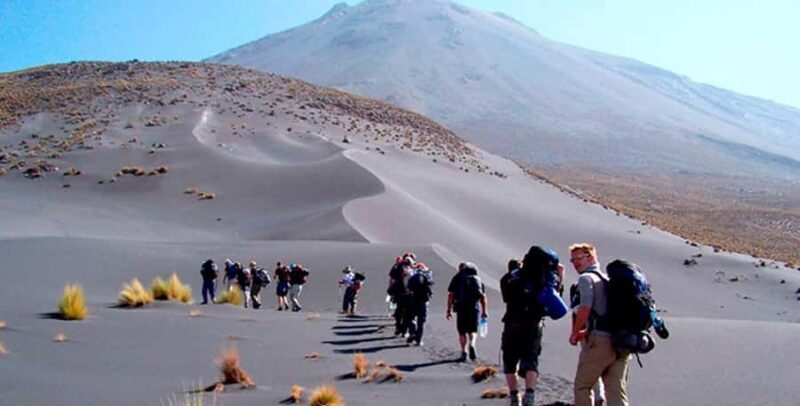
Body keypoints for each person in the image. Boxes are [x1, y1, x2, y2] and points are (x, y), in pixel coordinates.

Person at [500, 249, 564, 406]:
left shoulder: (510, 278)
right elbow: (556, 298)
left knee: (510, 361)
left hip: (512, 323)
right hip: (534, 325)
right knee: (531, 360)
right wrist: (561, 276)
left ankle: (514, 397)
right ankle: (530, 395)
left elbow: (506, 298)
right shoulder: (544, 279)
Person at [569, 243, 629, 406]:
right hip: (622, 342)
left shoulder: (586, 279)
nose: (575, 263)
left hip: (600, 341)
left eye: (578, 258)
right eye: (572, 260)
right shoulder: (609, 280)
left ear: (590, 257)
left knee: (583, 386)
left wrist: (575, 332)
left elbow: (585, 308)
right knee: (616, 390)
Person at [446, 262, 488, 362]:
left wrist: (448, 310)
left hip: (461, 308)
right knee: (472, 330)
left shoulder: (457, 278)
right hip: (474, 307)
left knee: (462, 331)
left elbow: (450, 295)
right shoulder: (477, 278)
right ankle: (472, 343)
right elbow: (483, 296)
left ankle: (464, 351)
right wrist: (484, 311)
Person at [405, 262, 434, 346]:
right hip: (424, 301)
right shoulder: (427, 276)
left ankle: (412, 332)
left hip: (413, 300)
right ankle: (419, 340)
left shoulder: (413, 277)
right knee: (421, 322)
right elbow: (430, 286)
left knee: (410, 318)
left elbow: (408, 288)